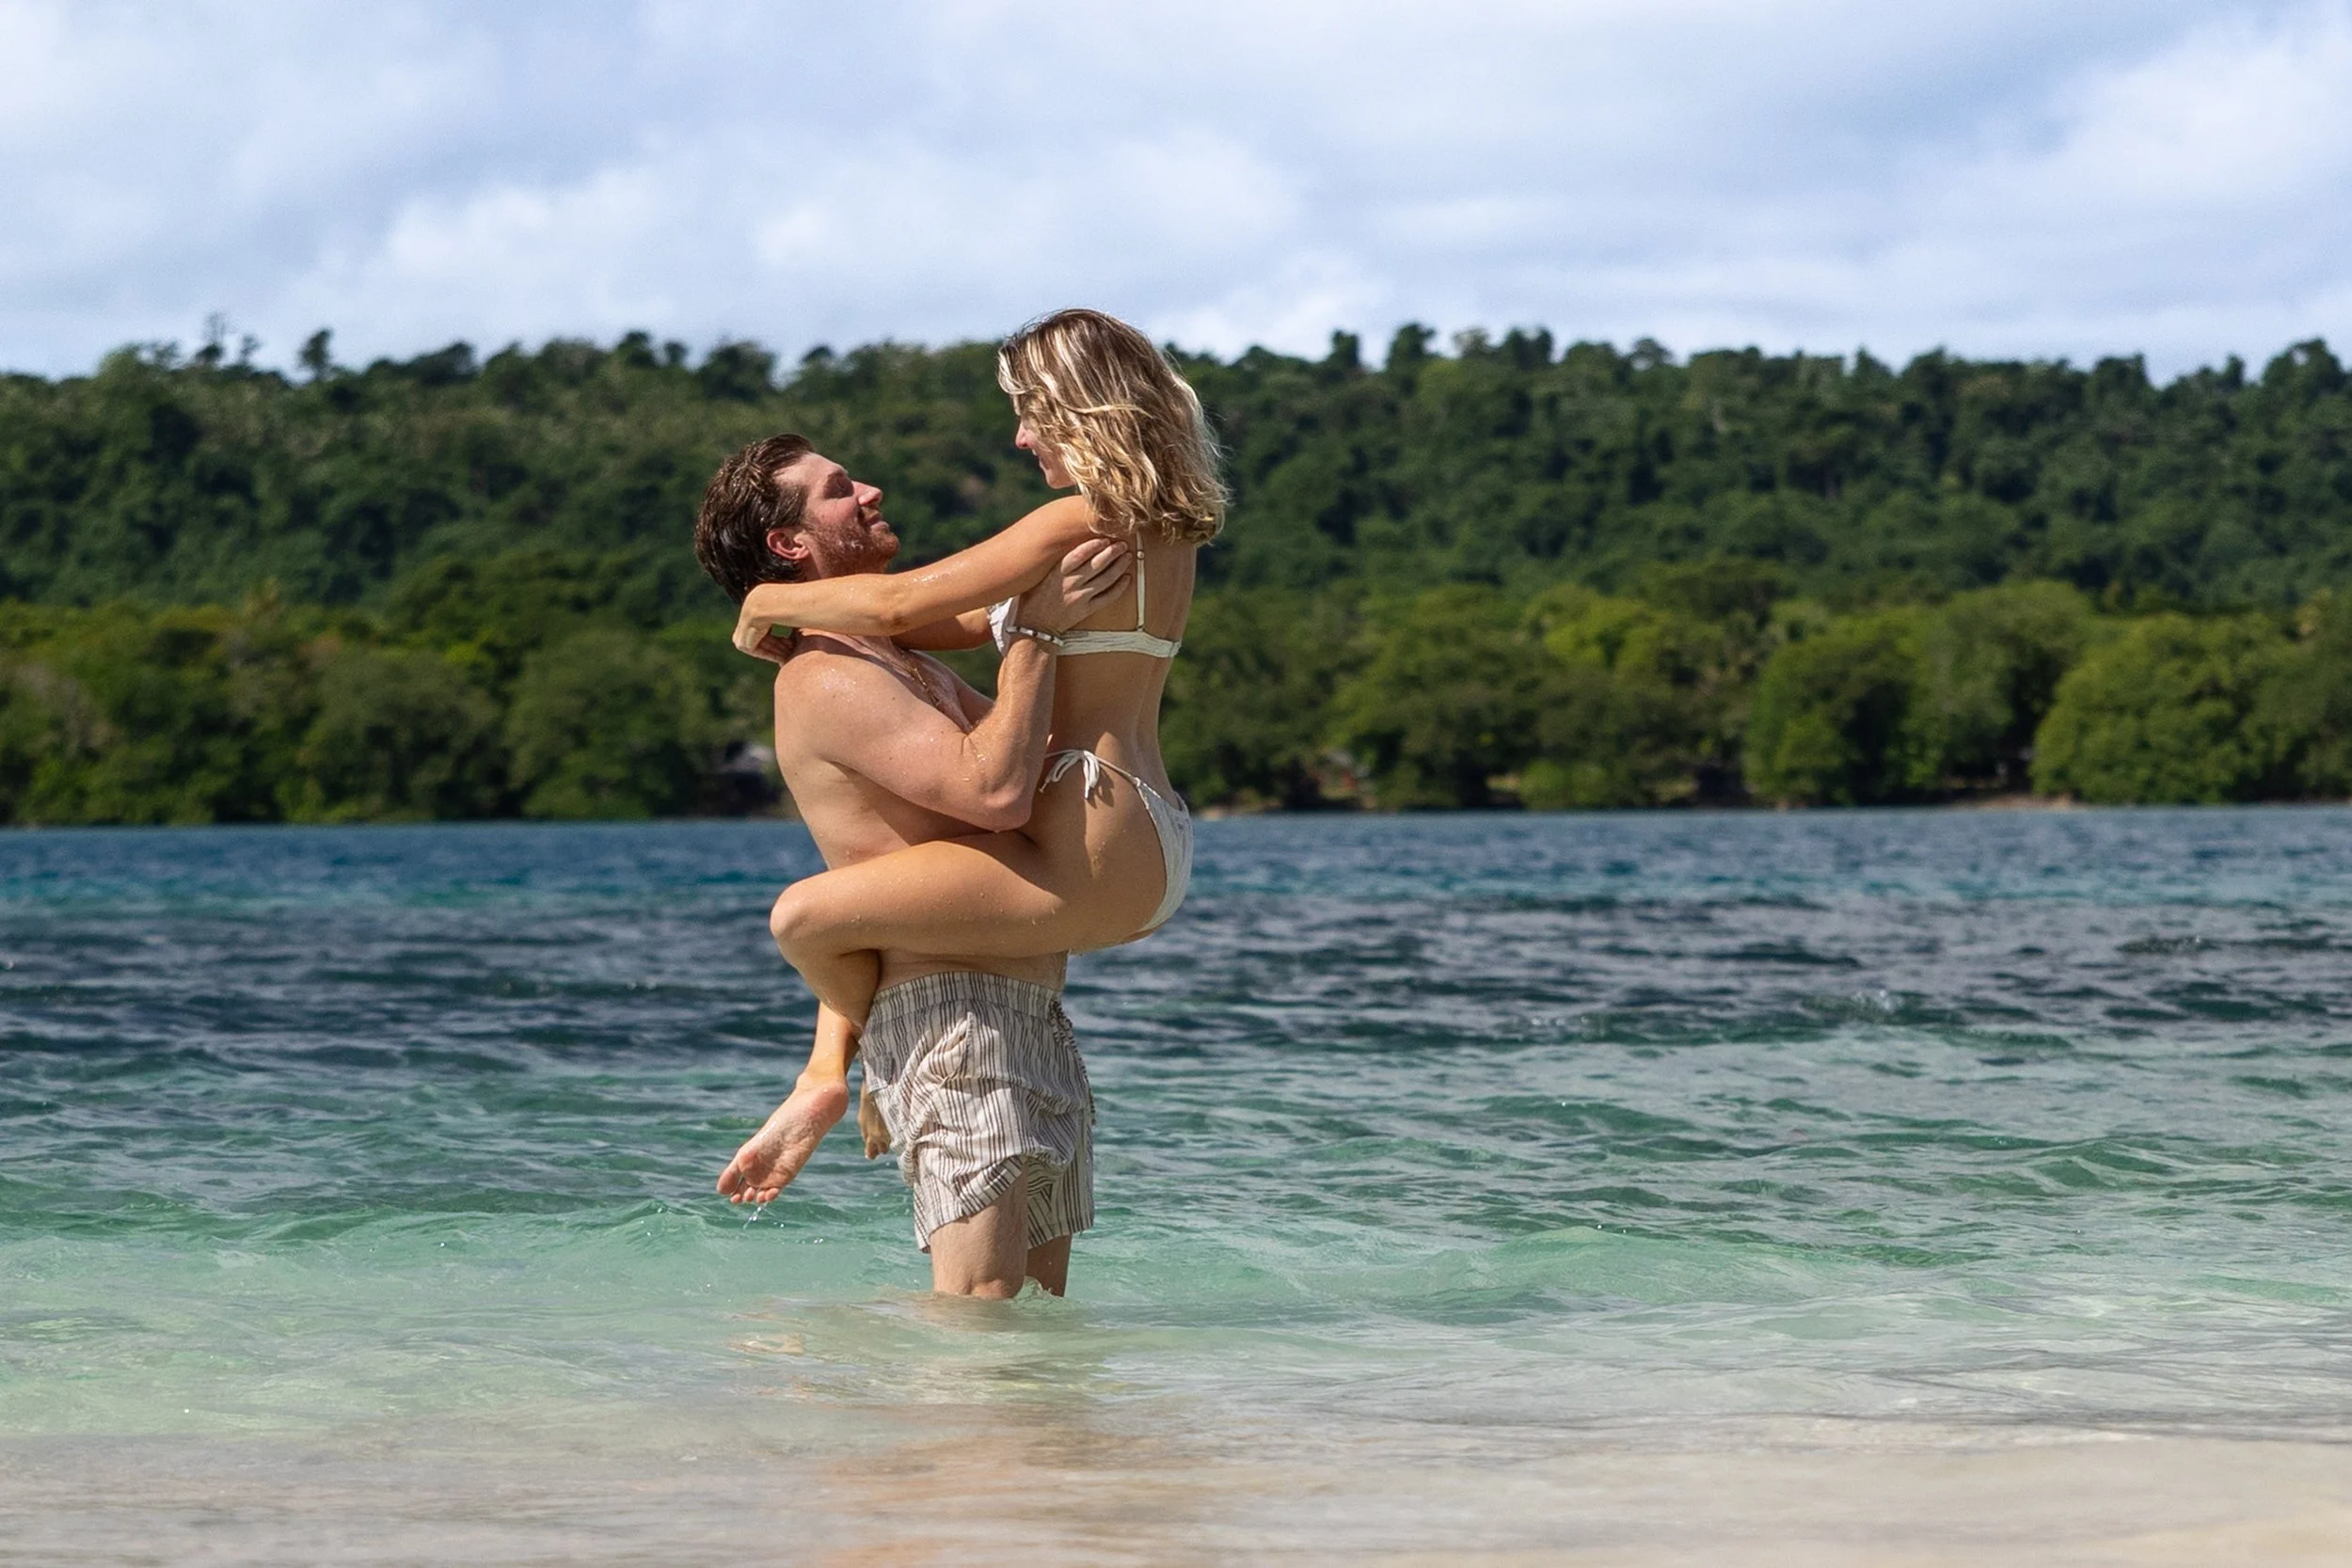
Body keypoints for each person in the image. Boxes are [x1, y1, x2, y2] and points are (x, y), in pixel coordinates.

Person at [693, 433, 1131, 1297]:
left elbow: (1027, 768)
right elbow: (999, 791)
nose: (869, 489)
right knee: (979, 1324)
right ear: (789, 544)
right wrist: (1038, 631)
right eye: (836, 489)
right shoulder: (827, 676)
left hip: (1030, 1011)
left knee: (1037, 1339)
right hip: (954, 1018)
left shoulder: (904, 664)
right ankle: (867, 1427)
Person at [729, 309, 1222, 1035]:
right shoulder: (1166, 537)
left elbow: (897, 605)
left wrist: (767, 598)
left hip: (1094, 844)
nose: (1021, 436)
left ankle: (832, 1067)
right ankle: (850, 1068)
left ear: (1076, 409)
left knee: (805, 915)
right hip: (1152, 837)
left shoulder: (1072, 522)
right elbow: (940, 625)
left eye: (1029, 413)